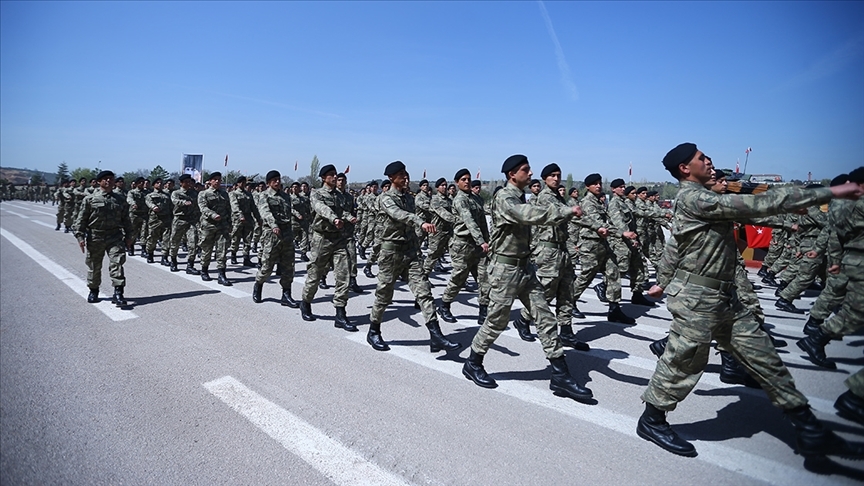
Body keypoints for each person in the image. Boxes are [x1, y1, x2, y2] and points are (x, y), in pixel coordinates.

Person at [637, 142, 864, 461]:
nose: (708, 161)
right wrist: (832, 192)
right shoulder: (693, 198)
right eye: (701, 158)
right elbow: (757, 204)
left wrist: (787, 211)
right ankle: (652, 420)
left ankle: (810, 429)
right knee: (684, 362)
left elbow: (752, 209)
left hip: (725, 297)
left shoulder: (707, 197)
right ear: (685, 169)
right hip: (696, 299)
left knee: (765, 358)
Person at [462, 155, 593, 403]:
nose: (530, 173)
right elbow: (527, 214)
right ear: (512, 174)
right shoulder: (504, 198)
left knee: (544, 317)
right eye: (525, 170)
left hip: (525, 268)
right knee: (496, 321)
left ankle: (560, 374)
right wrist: (566, 210)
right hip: (505, 269)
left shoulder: (520, 196)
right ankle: (473, 362)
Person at [366, 161, 460, 353]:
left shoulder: (409, 198)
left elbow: (410, 227)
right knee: (384, 295)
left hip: (410, 252)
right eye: (401, 174)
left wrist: (418, 251)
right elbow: (398, 214)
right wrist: (420, 222)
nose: (406, 177)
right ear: (391, 178)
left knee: (424, 292)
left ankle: (436, 335)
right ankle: (373, 331)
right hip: (391, 253)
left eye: (406, 173)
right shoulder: (385, 198)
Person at [511, 164, 590, 351]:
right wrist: (572, 212)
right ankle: (523, 319)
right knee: (546, 292)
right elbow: (558, 214)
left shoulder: (559, 197)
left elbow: (575, 217)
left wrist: (601, 227)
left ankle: (566, 331)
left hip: (562, 250)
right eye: (552, 176)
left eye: (558, 175)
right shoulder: (545, 197)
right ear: (545, 179)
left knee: (567, 292)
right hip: (549, 251)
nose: (556, 178)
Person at [571, 173, 636, 324]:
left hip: (603, 243)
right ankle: (569, 303)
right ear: (587, 187)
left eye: (600, 183)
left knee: (613, 273)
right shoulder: (588, 202)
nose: (598, 186)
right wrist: (622, 233)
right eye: (595, 183)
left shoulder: (599, 202)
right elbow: (599, 224)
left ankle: (614, 309)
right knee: (586, 277)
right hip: (590, 245)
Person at [299, 165, 357, 331]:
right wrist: (334, 218)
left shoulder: (339, 195)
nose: (334, 177)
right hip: (321, 239)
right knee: (315, 275)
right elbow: (321, 208)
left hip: (338, 239)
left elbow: (343, 211)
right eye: (331, 175)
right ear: (323, 178)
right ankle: (306, 302)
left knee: (343, 275)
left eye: (335, 174)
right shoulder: (316, 193)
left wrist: (350, 217)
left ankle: (340, 314)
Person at [437, 169, 491, 325]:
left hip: (477, 245)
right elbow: (469, 221)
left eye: (468, 179)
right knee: (459, 278)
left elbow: (482, 222)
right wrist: (481, 240)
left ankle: (483, 311)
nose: (467, 182)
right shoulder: (460, 200)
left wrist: (487, 240)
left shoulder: (476, 198)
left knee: (484, 278)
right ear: (457, 183)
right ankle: (444, 305)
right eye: (463, 179)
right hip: (462, 244)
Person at [74, 171, 133, 306]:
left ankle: (118, 293)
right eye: (105, 179)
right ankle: (93, 290)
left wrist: (129, 236)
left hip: (115, 236)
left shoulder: (120, 199)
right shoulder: (90, 199)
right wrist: (80, 237)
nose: (109, 181)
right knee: (94, 266)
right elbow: (81, 219)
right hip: (96, 237)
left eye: (111, 179)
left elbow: (126, 219)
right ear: (99, 182)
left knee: (117, 263)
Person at [253, 171, 299, 307]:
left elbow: (289, 214)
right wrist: (274, 225)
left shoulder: (286, 196)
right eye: (274, 180)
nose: (277, 182)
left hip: (286, 234)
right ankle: (258, 284)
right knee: (267, 266)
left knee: (288, 267)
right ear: (268, 183)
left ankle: (286, 295)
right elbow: (265, 212)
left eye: (278, 179)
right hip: (272, 235)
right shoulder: (264, 195)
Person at [197, 172, 233, 286]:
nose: (217, 181)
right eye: (215, 179)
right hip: (208, 225)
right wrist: (213, 215)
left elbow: (228, 209)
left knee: (222, 250)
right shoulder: (204, 194)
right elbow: (203, 207)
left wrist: (230, 223)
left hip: (222, 226)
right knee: (207, 249)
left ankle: (221, 274)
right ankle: (204, 270)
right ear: (210, 181)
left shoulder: (224, 194)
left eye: (219, 179)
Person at [168, 174, 202, 274]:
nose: (188, 183)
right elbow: (174, 201)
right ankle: (173, 261)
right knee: (175, 242)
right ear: (181, 183)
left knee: (193, 242)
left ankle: (190, 265)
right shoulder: (176, 193)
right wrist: (183, 202)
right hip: (179, 220)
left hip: (191, 221)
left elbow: (198, 205)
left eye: (189, 182)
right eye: (186, 182)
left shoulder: (194, 193)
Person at [422, 178, 456, 276]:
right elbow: (443, 214)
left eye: (445, 185)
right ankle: (424, 276)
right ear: (437, 188)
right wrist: (458, 220)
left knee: (456, 255)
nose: (444, 187)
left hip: (449, 231)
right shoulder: (435, 200)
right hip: (437, 232)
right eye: (442, 185)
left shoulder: (449, 200)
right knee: (433, 256)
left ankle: (460, 279)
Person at [229, 176, 261, 267]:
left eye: (244, 183)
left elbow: (253, 207)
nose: (243, 184)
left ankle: (246, 258)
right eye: (241, 182)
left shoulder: (248, 194)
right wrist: (240, 216)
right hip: (237, 220)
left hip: (248, 219)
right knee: (236, 239)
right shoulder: (233, 194)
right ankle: (233, 255)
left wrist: (258, 218)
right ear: (238, 184)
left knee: (248, 239)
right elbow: (235, 206)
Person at [144, 178, 172, 264]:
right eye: (157, 183)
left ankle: (164, 257)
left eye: (161, 183)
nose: (159, 184)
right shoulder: (150, 195)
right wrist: (153, 207)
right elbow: (149, 202)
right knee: (152, 237)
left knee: (167, 238)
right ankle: (150, 254)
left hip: (166, 218)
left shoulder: (167, 195)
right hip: (155, 219)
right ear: (153, 185)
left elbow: (171, 206)